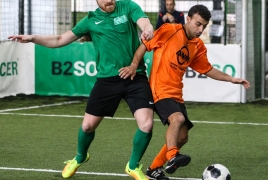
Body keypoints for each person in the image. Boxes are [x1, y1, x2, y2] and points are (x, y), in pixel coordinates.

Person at [8, 0, 155, 180]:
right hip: (107, 79)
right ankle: (80, 156)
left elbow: (144, 22)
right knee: (87, 126)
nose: (110, 0)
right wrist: (33, 38)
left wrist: (147, 29)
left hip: (135, 76)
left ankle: (132, 166)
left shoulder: (128, 6)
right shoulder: (90, 20)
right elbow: (60, 39)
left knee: (146, 124)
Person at [119, 4, 250, 180]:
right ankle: (172, 156)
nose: (200, 29)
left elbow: (208, 69)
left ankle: (154, 168)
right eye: (198, 24)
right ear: (188, 19)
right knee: (178, 119)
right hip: (159, 89)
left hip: (176, 94)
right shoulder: (168, 30)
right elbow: (144, 45)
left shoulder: (197, 45)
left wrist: (231, 79)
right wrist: (134, 65)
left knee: (183, 136)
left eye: (204, 25)